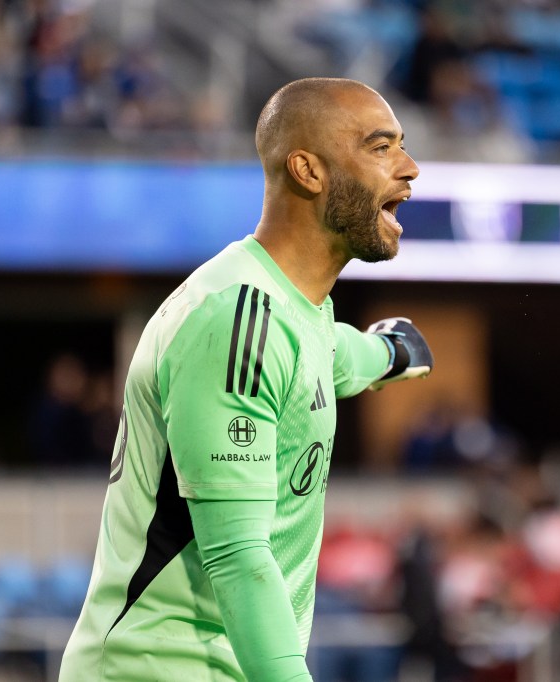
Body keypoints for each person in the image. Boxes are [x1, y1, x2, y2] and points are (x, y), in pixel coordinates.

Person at [60, 77, 433, 682]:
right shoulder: (238, 321)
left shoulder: (296, 312)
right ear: (308, 171)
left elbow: (337, 356)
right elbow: (238, 556)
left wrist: (392, 352)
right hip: (160, 670)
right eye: (381, 147)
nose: (410, 167)